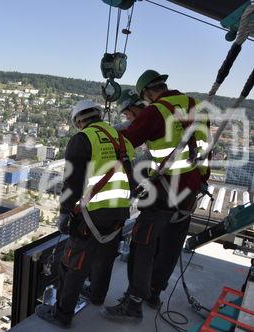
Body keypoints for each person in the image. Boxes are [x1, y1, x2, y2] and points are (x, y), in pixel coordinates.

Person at [102, 70, 210, 322]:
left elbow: (127, 141)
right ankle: (153, 294)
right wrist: (201, 179)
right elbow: (205, 147)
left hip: (164, 190)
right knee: (171, 244)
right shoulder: (194, 105)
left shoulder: (157, 111)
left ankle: (134, 303)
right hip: (190, 190)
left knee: (143, 242)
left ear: (147, 93)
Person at [36, 99, 135, 328]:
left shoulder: (82, 139)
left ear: (79, 121)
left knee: (73, 263)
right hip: (119, 211)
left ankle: (62, 314)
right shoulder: (120, 139)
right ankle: (97, 295)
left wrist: (64, 213)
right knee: (105, 256)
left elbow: (72, 182)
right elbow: (132, 174)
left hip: (92, 214)